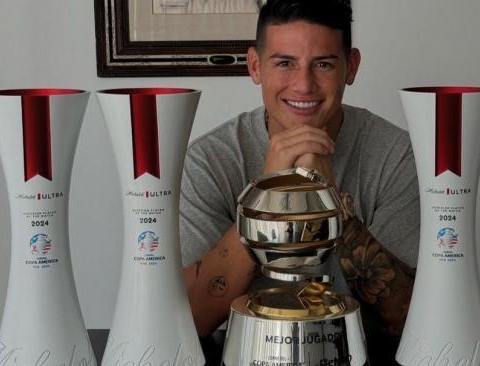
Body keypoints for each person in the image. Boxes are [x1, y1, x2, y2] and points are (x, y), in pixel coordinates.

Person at [179, 0, 419, 359]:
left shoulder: (395, 154)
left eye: (322, 64)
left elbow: (411, 317)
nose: (304, 85)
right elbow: (191, 319)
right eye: (284, 63)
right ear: (255, 66)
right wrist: (267, 193)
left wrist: (331, 201)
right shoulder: (208, 160)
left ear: (350, 67)